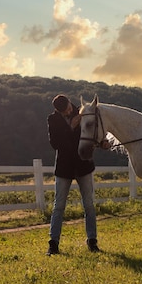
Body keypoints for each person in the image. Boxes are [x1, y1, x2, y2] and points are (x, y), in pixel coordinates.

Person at [46, 94, 99, 255]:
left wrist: (101, 142)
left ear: (70, 102)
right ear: (58, 111)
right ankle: (53, 244)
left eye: (69, 107)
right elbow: (55, 144)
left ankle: (92, 241)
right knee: (59, 206)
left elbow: (91, 133)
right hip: (64, 167)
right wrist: (70, 128)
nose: (70, 111)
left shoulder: (83, 112)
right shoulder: (53, 120)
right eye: (66, 111)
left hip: (84, 165)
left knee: (89, 205)